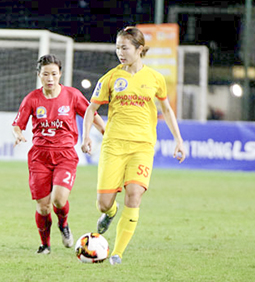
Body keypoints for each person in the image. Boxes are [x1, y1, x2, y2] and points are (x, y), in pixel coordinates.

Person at [81, 26, 186, 265]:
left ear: (139, 49)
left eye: (125, 47)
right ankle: (110, 212)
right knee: (103, 203)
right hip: (113, 146)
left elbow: (166, 110)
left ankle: (117, 253)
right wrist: (86, 136)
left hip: (142, 147)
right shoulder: (110, 77)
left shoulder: (156, 79)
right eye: (117, 47)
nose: (120, 52)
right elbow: (91, 109)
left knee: (134, 194)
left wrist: (179, 140)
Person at [12, 54, 105, 254]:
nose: (50, 78)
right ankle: (45, 245)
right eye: (46, 74)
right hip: (39, 157)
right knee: (43, 207)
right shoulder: (32, 98)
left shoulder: (72, 95)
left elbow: (92, 114)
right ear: (39, 75)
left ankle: (63, 225)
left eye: (54, 74)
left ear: (60, 74)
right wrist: (19, 134)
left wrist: (105, 132)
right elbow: (17, 124)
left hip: (65, 155)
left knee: (59, 200)